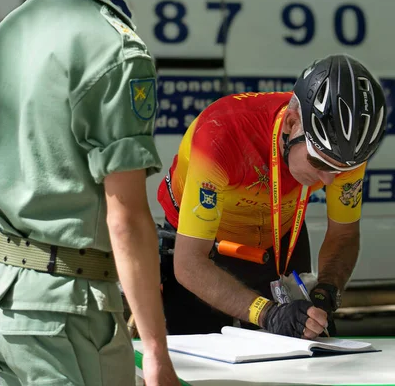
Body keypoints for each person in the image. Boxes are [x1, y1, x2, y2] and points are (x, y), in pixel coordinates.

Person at [0, 0, 179, 386]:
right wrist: (159, 358)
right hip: (69, 320)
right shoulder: (115, 48)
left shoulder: (11, 29)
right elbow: (125, 218)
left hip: (6, 303)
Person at [157, 54, 387, 339]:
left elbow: (343, 234)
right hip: (204, 243)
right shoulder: (220, 136)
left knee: (304, 358)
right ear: (291, 124)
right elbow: (189, 264)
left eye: (341, 171)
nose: (329, 179)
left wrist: (326, 291)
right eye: (319, 163)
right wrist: (268, 314)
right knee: (197, 365)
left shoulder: (345, 151)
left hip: (279, 235)